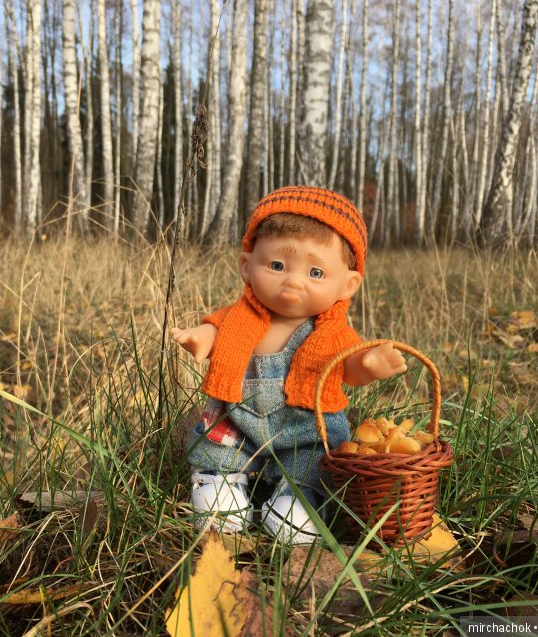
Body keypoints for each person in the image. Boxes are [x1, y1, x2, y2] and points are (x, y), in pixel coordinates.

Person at [171, 185, 406, 543]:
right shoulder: (239, 316)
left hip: (304, 428)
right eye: (277, 265)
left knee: (312, 464)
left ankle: (296, 497)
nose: (293, 281)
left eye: (315, 273)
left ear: (348, 284)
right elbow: (214, 328)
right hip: (238, 417)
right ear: (247, 266)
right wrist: (200, 339)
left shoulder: (332, 333)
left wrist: (370, 364)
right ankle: (221, 484)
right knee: (221, 443)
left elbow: (349, 367)